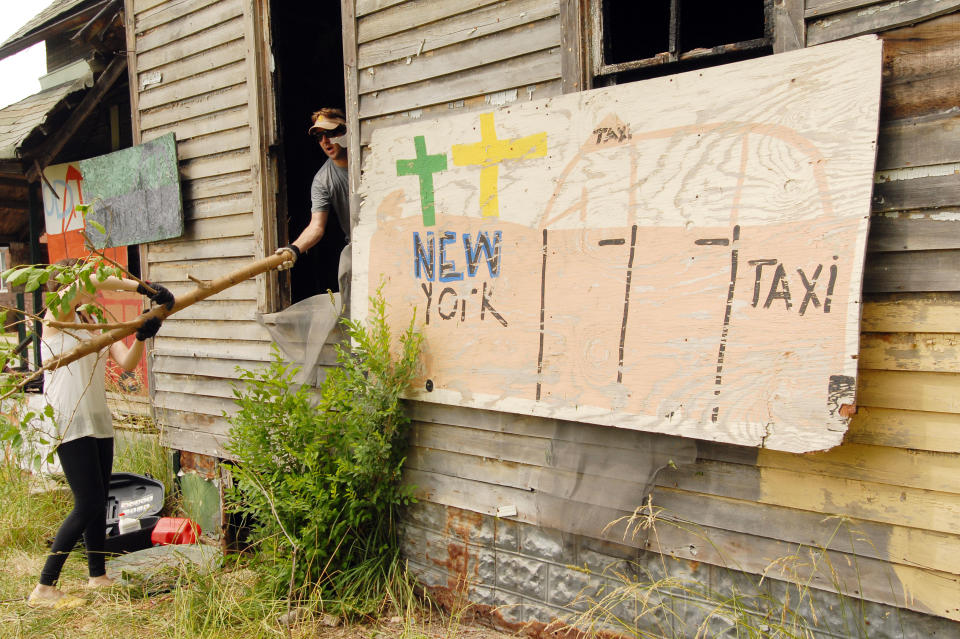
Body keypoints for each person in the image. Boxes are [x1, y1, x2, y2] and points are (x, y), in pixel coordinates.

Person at [27, 260, 174, 609]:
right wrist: (145, 288)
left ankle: (97, 576)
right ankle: (44, 587)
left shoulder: (89, 321)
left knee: (99, 499)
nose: (93, 287)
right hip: (70, 419)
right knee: (88, 502)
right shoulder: (55, 318)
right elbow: (87, 280)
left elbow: (124, 361)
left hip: (97, 418)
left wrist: (140, 337)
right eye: (82, 281)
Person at [275, 107, 351, 298]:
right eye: (319, 137)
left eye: (330, 133)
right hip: (358, 245)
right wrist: (293, 250)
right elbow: (316, 227)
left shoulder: (370, 156)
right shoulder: (322, 180)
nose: (325, 141)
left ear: (345, 131)